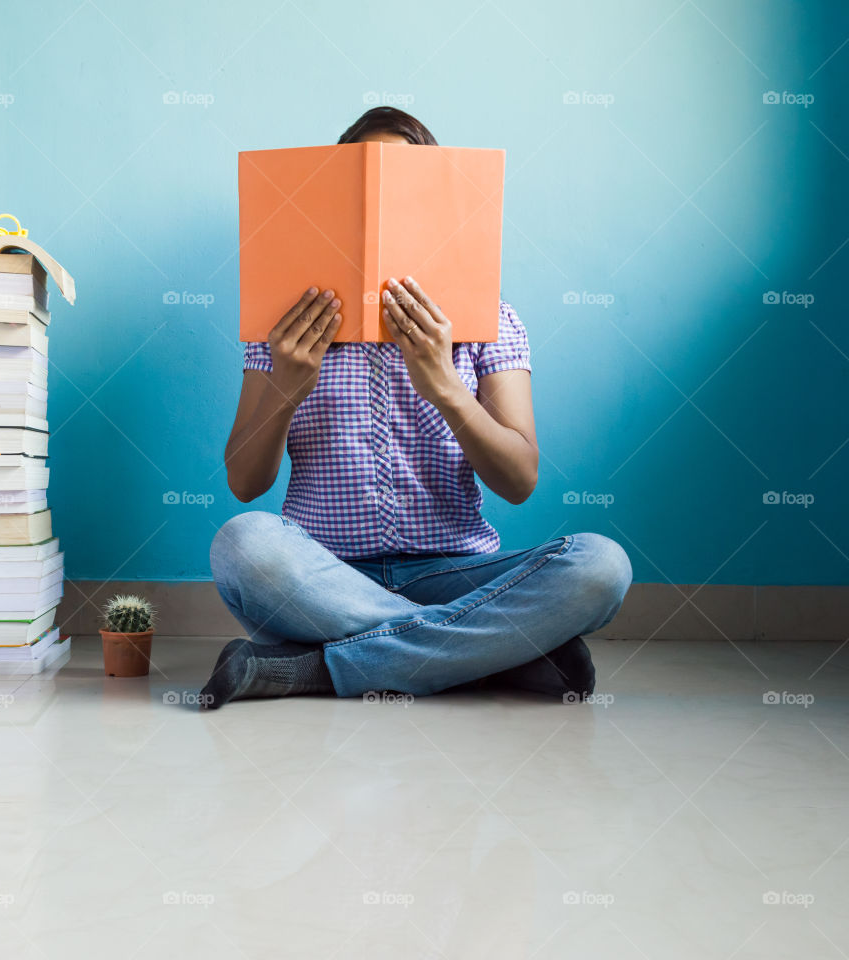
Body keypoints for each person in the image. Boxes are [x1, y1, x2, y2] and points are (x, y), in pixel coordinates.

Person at [201, 107, 631, 710]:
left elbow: (520, 478)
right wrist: (288, 385)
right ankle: (487, 655)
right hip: (323, 576)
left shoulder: (490, 319)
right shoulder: (281, 325)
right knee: (242, 543)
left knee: (601, 565)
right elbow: (246, 484)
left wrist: (447, 388)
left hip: (456, 573)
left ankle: (316, 669)